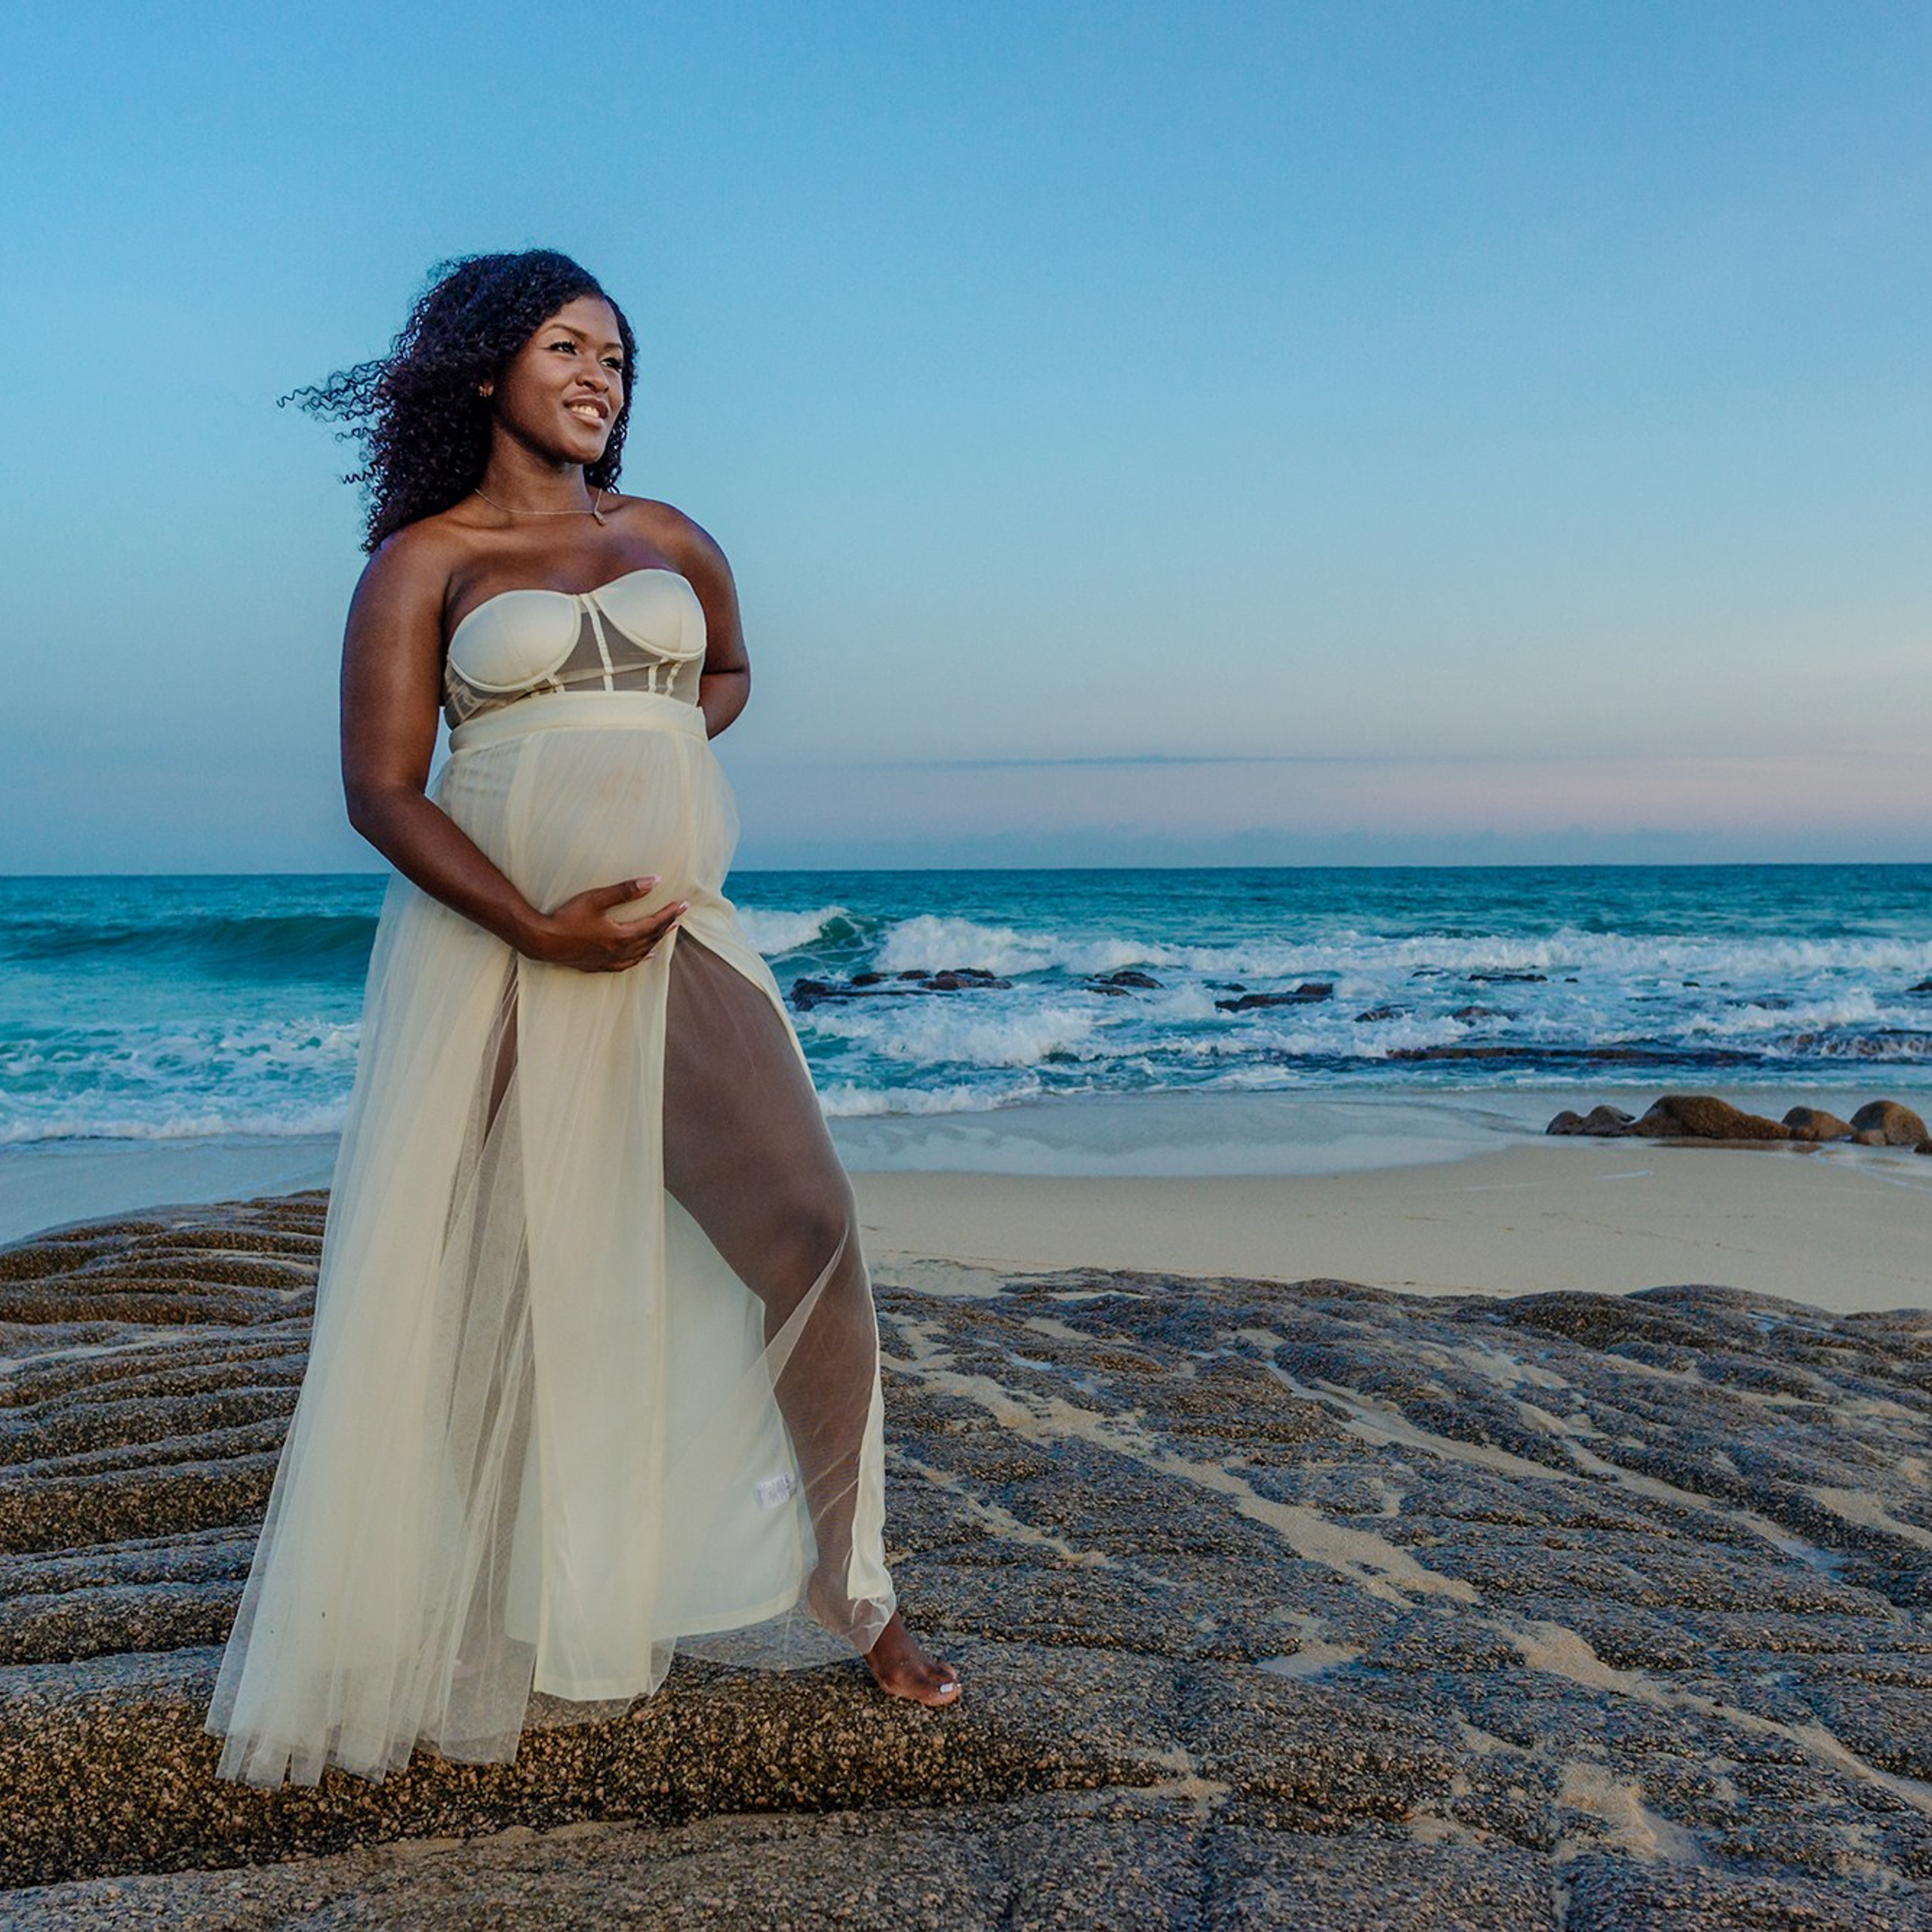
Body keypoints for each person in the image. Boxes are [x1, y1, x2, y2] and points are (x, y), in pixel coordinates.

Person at [205, 249, 960, 1789]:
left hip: (671, 930)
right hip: (494, 945)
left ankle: (850, 1580)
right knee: (500, 1270)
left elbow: (726, 672)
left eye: (617, 355)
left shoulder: (668, 535)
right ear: (487, 367)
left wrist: (643, 767)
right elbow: (381, 789)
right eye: (567, 345)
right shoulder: (424, 562)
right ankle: (467, 1612)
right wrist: (533, 913)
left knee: (807, 1223)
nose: (601, 375)